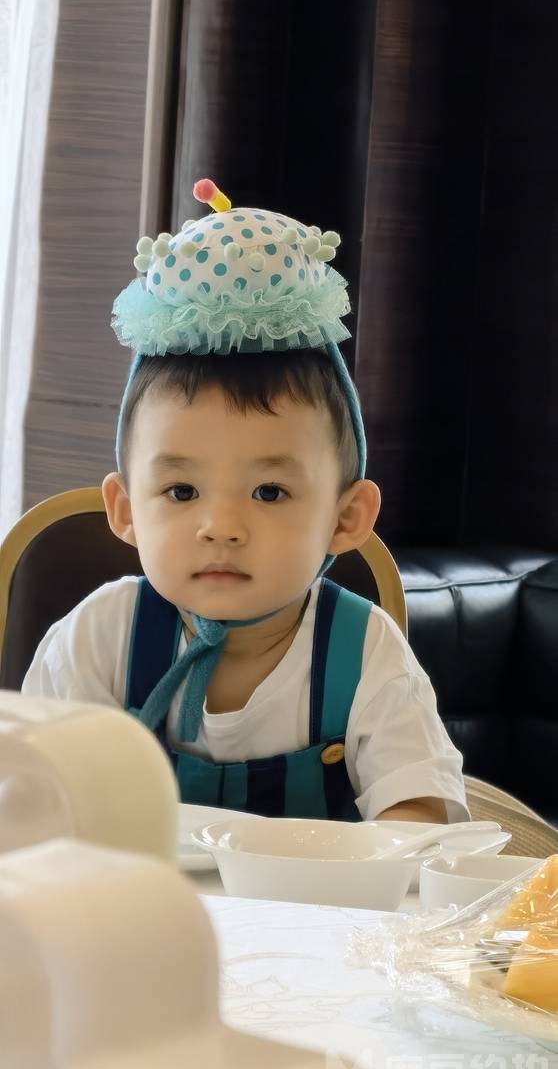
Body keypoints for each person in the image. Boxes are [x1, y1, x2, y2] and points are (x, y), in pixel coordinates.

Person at [22, 181, 468, 823]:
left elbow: (418, 812)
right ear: (124, 509)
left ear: (346, 518)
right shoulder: (97, 639)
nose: (222, 527)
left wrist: (396, 834)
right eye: (181, 491)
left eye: (269, 491)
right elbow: (36, 808)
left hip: (316, 892)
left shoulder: (363, 651)